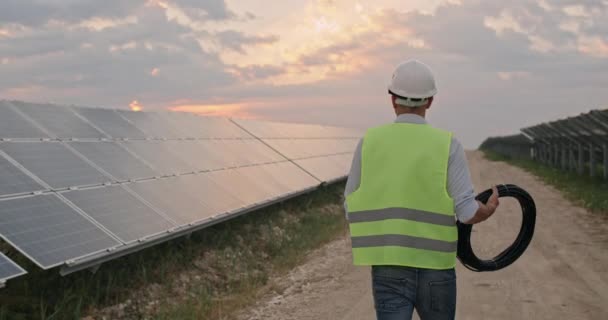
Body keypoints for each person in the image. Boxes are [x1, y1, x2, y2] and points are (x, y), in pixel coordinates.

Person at [344, 60, 500, 320]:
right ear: (430, 101)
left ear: (393, 99)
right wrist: (487, 210)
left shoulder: (369, 142)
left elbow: (350, 207)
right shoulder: (448, 145)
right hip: (436, 269)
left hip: (388, 266)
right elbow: (467, 212)